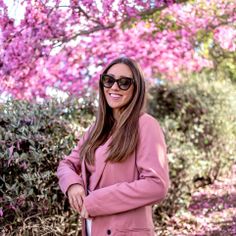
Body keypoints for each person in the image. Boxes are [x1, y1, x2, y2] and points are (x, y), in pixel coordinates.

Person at [57, 57, 170, 236]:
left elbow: (156, 185)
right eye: (109, 80)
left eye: (124, 82)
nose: (114, 87)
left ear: (136, 88)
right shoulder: (96, 129)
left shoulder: (146, 125)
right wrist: (73, 185)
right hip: (92, 228)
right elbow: (66, 164)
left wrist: (96, 201)